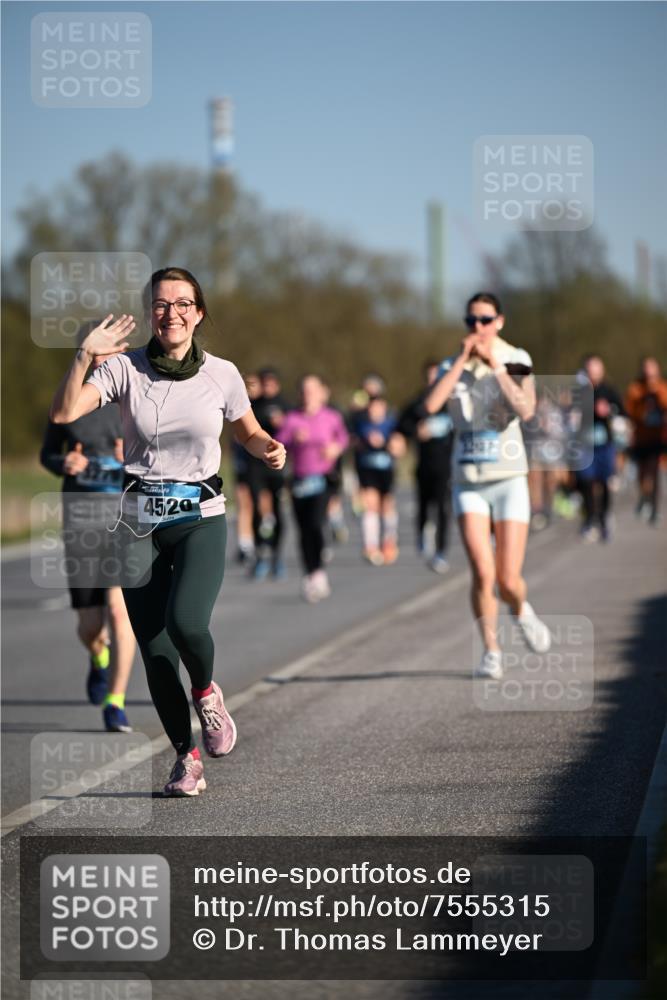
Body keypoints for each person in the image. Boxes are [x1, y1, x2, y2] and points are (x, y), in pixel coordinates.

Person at [49, 266, 286, 796]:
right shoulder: (125, 368)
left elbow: (247, 432)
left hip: (200, 515)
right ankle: (186, 758)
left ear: (198, 313)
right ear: (150, 313)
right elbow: (64, 413)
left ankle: (205, 692)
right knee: (155, 651)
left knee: (186, 623)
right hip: (137, 522)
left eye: (182, 304)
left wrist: (268, 448)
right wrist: (85, 355)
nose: (170, 312)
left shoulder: (222, 374)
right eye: (160, 304)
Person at [425, 292, 551, 679]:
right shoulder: (451, 364)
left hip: (508, 478)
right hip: (469, 482)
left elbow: (526, 409)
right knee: (482, 573)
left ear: (499, 321)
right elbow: (431, 405)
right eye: (471, 321)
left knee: (508, 578)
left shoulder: (517, 358)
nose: (477, 327)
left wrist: (495, 365)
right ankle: (491, 651)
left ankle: (521, 609)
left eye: (484, 320)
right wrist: (462, 359)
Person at [40, 381, 136, 734]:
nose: (102, 360)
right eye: (95, 355)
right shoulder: (69, 402)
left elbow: (163, 454)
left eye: (109, 354)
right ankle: (99, 657)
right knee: (90, 626)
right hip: (80, 521)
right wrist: (62, 461)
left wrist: (133, 459)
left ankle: (116, 702)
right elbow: (47, 453)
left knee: (119, 612)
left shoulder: (135, 399)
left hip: (125, 521)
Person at [276, 375, 349, 603]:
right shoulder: (292, 419)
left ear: (321, 393)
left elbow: (343, 438)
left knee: (316, 523)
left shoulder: (331, 417)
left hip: (323, 479)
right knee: (303, 529)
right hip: (299, 481)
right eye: (304, 390)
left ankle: (318, 570)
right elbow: (277, 443)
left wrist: (335, 448)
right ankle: (310, 573)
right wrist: (292, 439)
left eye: (312, 390)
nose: (308, 395)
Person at [399, 360, 454, 573]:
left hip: (446, 464)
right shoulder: (418, 403)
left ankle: (441, 551)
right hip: (424, 463)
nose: (433, 380)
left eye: (437, 376)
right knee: (423, 505)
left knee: (442, 508)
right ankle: (422, 535)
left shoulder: (453, 403)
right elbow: (402, 425)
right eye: (430, 376)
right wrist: (416, 431)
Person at [246, 367, 289, 580]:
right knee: (257, 507)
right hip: (256, 465)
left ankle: (277, 556)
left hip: (277, 466)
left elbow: (293, 431)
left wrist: (283, 425)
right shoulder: (253, 405)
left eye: (272, 383)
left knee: (278, 509)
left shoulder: (285, 405)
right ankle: (260, 553)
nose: (268, 387)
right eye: (265, 383)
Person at [577, 354, 625, 542]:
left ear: (602, 370)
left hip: (604, 444)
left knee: (604, 483)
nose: (593, 372)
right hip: (585, 445)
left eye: (596, 368)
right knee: (587, 481)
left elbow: (622, 412)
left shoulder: (609, 390)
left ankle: (604, 517)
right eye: (590, 368)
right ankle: (590, 518)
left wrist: (609, 410)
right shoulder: (580, 391)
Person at [353, 395, 405, 565]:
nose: (374, 412)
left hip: (386, 471)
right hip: (367, 470)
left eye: (377, 408)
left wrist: (387, 444)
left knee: (387, 506)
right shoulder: (361, 424)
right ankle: (370, 546)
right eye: (371, 408)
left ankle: (389, 542)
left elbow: (400, 447)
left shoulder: (391, 425)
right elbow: (353, 443)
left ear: (384, 408)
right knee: (370, 505)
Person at [625, 356, 667, 524]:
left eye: (652, 367)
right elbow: (630, 411)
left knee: (654, 472)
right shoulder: (636, 388)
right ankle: (644, 497)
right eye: (646, 368)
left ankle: (655, 509)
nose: (649, 371)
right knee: (642, 473)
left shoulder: (662, 387)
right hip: (641, 437)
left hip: (658, 437)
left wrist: (656, 392)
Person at [231, 371, 261, 564]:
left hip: (261, 465)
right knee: (243, 502)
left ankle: (264, 532)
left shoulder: (265, 408)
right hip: (243, 463)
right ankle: (245, 543)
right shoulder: (235, 407)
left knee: (261, 502)